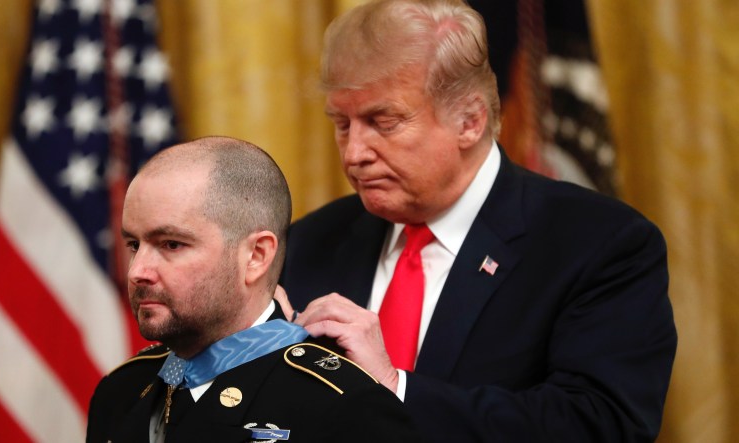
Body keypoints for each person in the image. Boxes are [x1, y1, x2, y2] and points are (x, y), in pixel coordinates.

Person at [279, 0, 677, 442]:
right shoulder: (310, 241)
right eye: (342, 124)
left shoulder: (598, 244)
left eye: (383, 121)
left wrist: (396, 388)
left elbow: (601, 425)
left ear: (469, 120)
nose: (354, 153)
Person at [86, 136, 422, 443]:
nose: (138, 271)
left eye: (172, 244)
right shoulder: (121, 390)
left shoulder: (345, 407)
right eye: (133, 244)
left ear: (256, 256)